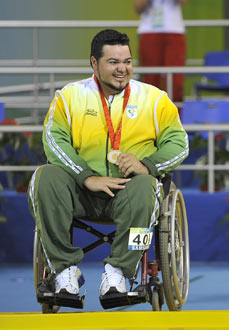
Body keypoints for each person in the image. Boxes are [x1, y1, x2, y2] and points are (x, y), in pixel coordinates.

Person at [27, 29, 188, 303]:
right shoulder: (69, 97)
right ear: (94, 63)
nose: (122, 69)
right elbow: (53, 140)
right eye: (113, 62)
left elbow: (179, 144)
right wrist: (85, 176)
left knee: (147, 189)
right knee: (45, 177)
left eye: (127, 61)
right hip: (81, 192)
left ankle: (119, 271)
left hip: (130, 193)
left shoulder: (155, 100)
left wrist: (146, 165)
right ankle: (65, 270)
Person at [134, 0, 187, 103]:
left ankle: (175, 117)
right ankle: (152, 117)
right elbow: (138, 8)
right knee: (150, 82)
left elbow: (183, 1)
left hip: (174, 30)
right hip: (149, 31)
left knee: (176, 82)